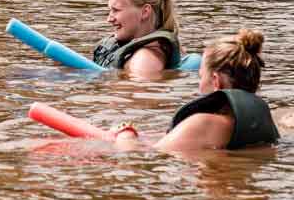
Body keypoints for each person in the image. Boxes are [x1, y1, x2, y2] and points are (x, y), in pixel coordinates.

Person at [113, 28, 279, 152]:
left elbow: (137, 156)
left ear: (216, 82)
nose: (199, 86)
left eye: (201, 77)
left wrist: (125, 131)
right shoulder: (262, 123)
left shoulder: (203, 123)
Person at [92, 0, 182, 77]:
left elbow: (141, 90)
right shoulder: (136, 52)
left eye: (116, 10)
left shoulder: (144, 60)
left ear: (145, 12)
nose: (109, 19)